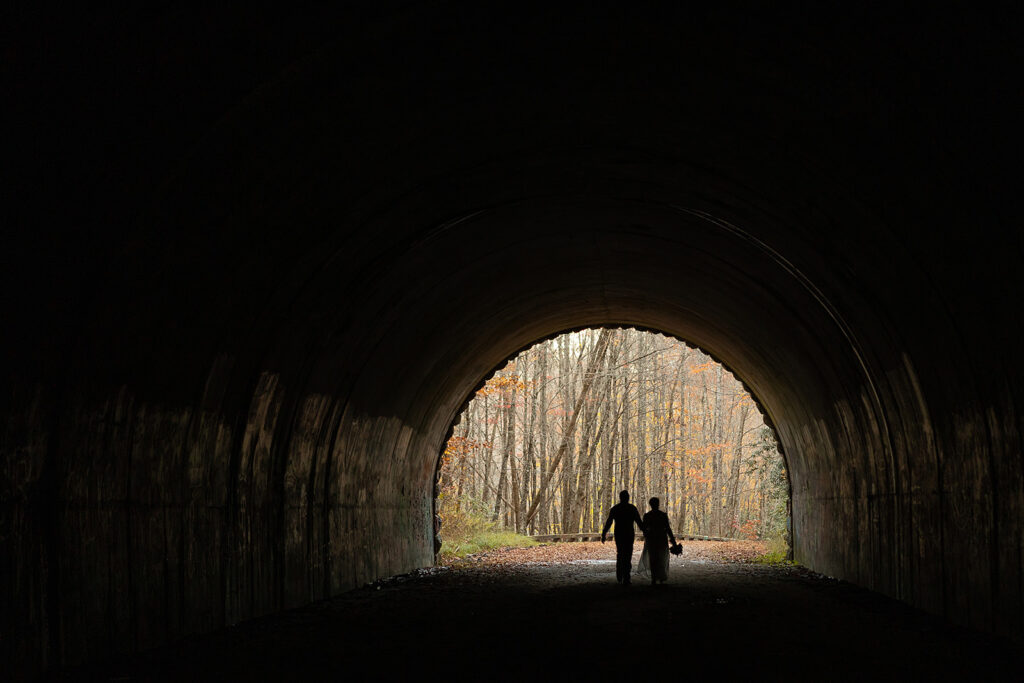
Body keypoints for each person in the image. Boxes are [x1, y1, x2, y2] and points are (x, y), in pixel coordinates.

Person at [601, 490, 645, 585]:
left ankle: (620, 573)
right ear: (628, 498)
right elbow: (639, 522)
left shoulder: (615, 508)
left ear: (620, 498)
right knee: (628, 554)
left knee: (620, 553)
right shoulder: (632, 508)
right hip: (629, 534)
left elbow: (609, 522)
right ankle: (626, 577)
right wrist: (645, 532)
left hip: (619, 534)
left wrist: (604, 533)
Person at [637, 497, 677, 585]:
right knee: (661, 558)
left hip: (651, 539)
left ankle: (654, 578)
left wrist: (647, 534)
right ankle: (661, 577)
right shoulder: (663, 515)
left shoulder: (647, 516)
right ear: (658, 504)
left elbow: (643, 528)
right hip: (661, 539)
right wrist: (673, 542)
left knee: (653, 558)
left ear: (650, 505)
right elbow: (668, 529)